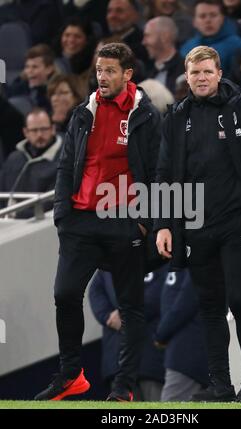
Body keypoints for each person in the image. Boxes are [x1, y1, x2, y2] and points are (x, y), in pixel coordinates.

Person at [155, 46, 241, 402]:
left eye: (206, 72)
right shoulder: (175, 118)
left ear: (219, 73)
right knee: (210, 307)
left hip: (237, 223)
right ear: (186, 76)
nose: (200, 78)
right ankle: (221, 384)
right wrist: (165, 225)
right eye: (194, 73)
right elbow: (164, 175)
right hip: (196, 228)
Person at [34, 42, 161, 402]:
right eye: (98, 70)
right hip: (80, 222)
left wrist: (143, 223)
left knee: (131, 305)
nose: (101, 77)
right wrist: (62, 213)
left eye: (109, 71)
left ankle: (124, 386)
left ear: (127, 74)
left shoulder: (146, 116)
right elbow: (66, 165)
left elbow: (157, 172)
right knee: (65, 294)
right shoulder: (83, 112)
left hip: (124, 221)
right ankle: (71, 375)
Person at [88, 268, 166, 401]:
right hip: (118, 359)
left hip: (150, 357)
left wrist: (127, 315)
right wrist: (107, 316)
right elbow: (95, 291)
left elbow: (162, 290)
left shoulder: (159, 254)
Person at [154, 269, 209, 402]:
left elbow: (184, 305)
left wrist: (161, 334)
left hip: (188, 354)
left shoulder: (196, 259)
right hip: (179, 352)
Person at [0, 108, 62, 218]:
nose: (39, 135)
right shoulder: (14, 158)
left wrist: (15, 214)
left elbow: (51, 203)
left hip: (39, 224)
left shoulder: (64, 160)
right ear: (26, 132)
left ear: (53, 129)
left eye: (44, 129)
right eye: (34, 130)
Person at [180, 0, 241, 76]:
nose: (208, 20)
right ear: (194, 22)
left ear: (222, 19)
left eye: (213, 15)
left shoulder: (237, 45)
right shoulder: (186, 48)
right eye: (202, 16)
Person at [142, 16, 185, 94]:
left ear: (164, 36)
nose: (143, 42)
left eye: (147, 35)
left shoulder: (186, 72)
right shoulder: (146, 71)